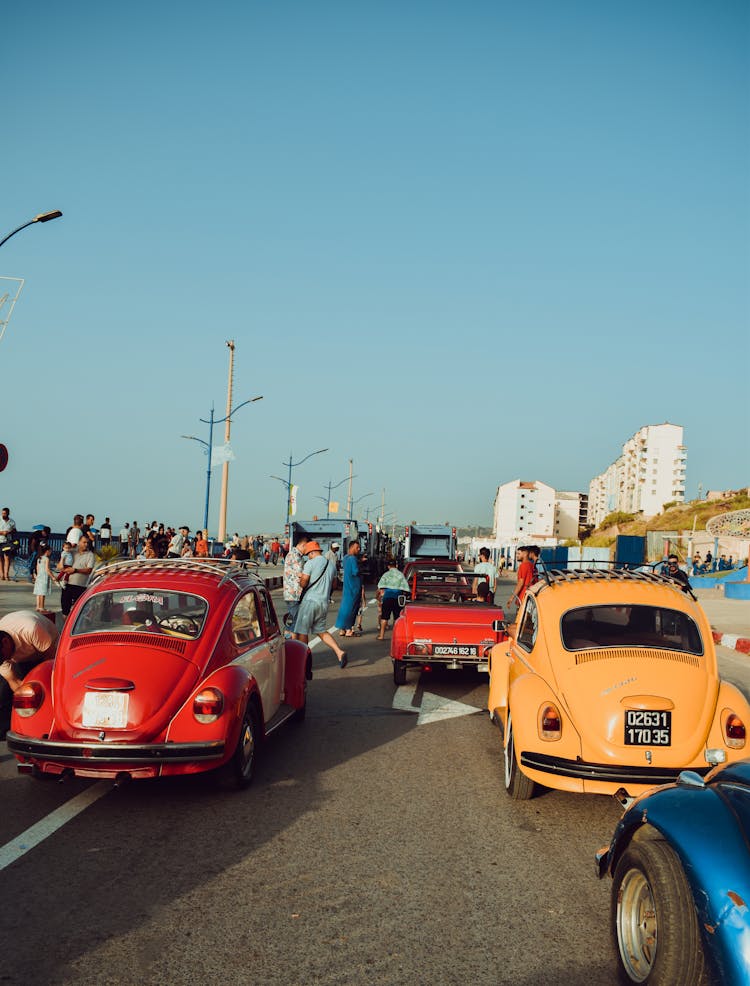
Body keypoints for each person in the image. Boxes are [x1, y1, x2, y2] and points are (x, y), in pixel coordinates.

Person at [0, 610, 60, 737]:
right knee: (4, 692)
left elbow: (51, 661)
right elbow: (14, 682)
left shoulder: (31, 629)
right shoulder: (3, 656)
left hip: (46, 648)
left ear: (5, 642)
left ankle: (48, 723)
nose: (3, 660)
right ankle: (7, 728)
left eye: (2, 656)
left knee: (45, 687)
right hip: (22, 655)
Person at [294, 541, 347, 667]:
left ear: (312, 552)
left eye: (308, 555)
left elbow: (304, 583)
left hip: (310, 602)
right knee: (321, 631)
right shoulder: (331, 565)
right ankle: (339, 652)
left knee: (302, 631)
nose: (308, 557)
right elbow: (334, 585)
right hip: (323, 603)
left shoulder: (310, 563)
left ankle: (304, 661)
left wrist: (300, 578)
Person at [61, 535, 96, 616]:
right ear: (79, 542)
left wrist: (75, 570)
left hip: (80, 586)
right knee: (65, 610)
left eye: (87, 543)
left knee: (79, 611)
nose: (86, 544)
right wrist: (63, 568)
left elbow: (89, 570)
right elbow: (60, 565)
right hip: (67, 584)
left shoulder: (90, 555)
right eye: (84, 542)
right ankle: (66, 627)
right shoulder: (71, 552)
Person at [376, 559, 410, 640]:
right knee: (397, 617)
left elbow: (380, 586)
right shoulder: (400, 575)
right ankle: (395, 636)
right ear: (396, 565)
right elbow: (406, 588)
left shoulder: (386, 575)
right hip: (397, 597)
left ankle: (381, 635)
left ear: (388, 566)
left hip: (387, 597)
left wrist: (379, 597)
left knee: (384, 617)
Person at [335, 540, 364, 637]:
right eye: (357, 547)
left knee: (344, 607)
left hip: (347, 586)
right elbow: (355, 572)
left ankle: (342, 629)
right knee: (352, 608)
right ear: (351, 547)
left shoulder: (346, 558)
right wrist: (361, 567)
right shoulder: (353, 559)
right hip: (354, 587)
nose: (359, 549)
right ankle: (349, 629)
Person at [283, 533, 309, 630]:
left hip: (294, 593)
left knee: (295, 620)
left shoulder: (295, 555)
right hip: (294, 594)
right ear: (303, 545)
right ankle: (289, 641)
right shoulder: (295, 556)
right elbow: (300, 574)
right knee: (296, 622)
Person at [507, 545, 536, 611]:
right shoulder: (532, 565)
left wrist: (511, 598)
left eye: (519, 553)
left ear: (525, 554)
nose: (517, 555)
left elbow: (520, 583)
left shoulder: (523, 566)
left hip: (523, 596)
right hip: (531, 596)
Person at [33, 544, 55, 612]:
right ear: (47, 551)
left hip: (39, 576)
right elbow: (47, 570)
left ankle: (38, 606)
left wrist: (37, 575)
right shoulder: (47, 559)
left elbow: (37, 568)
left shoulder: (39, 558)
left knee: (38, 592)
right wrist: (53, 577)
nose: (51, 552)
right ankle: (42, 607)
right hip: (44, 577)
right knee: (42, 592)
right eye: (50, 551)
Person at [0, 507, 17, 581]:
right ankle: (1, 575)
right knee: (0, 559)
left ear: (8, 513)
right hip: (0, 540)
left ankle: (6, 574)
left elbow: (15, 530)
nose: (3, 514)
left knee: (7, 558)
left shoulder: (11, 521)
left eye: (5, 513)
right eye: (2, 513)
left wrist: (9, 532)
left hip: (8, 542)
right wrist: (2, 532)